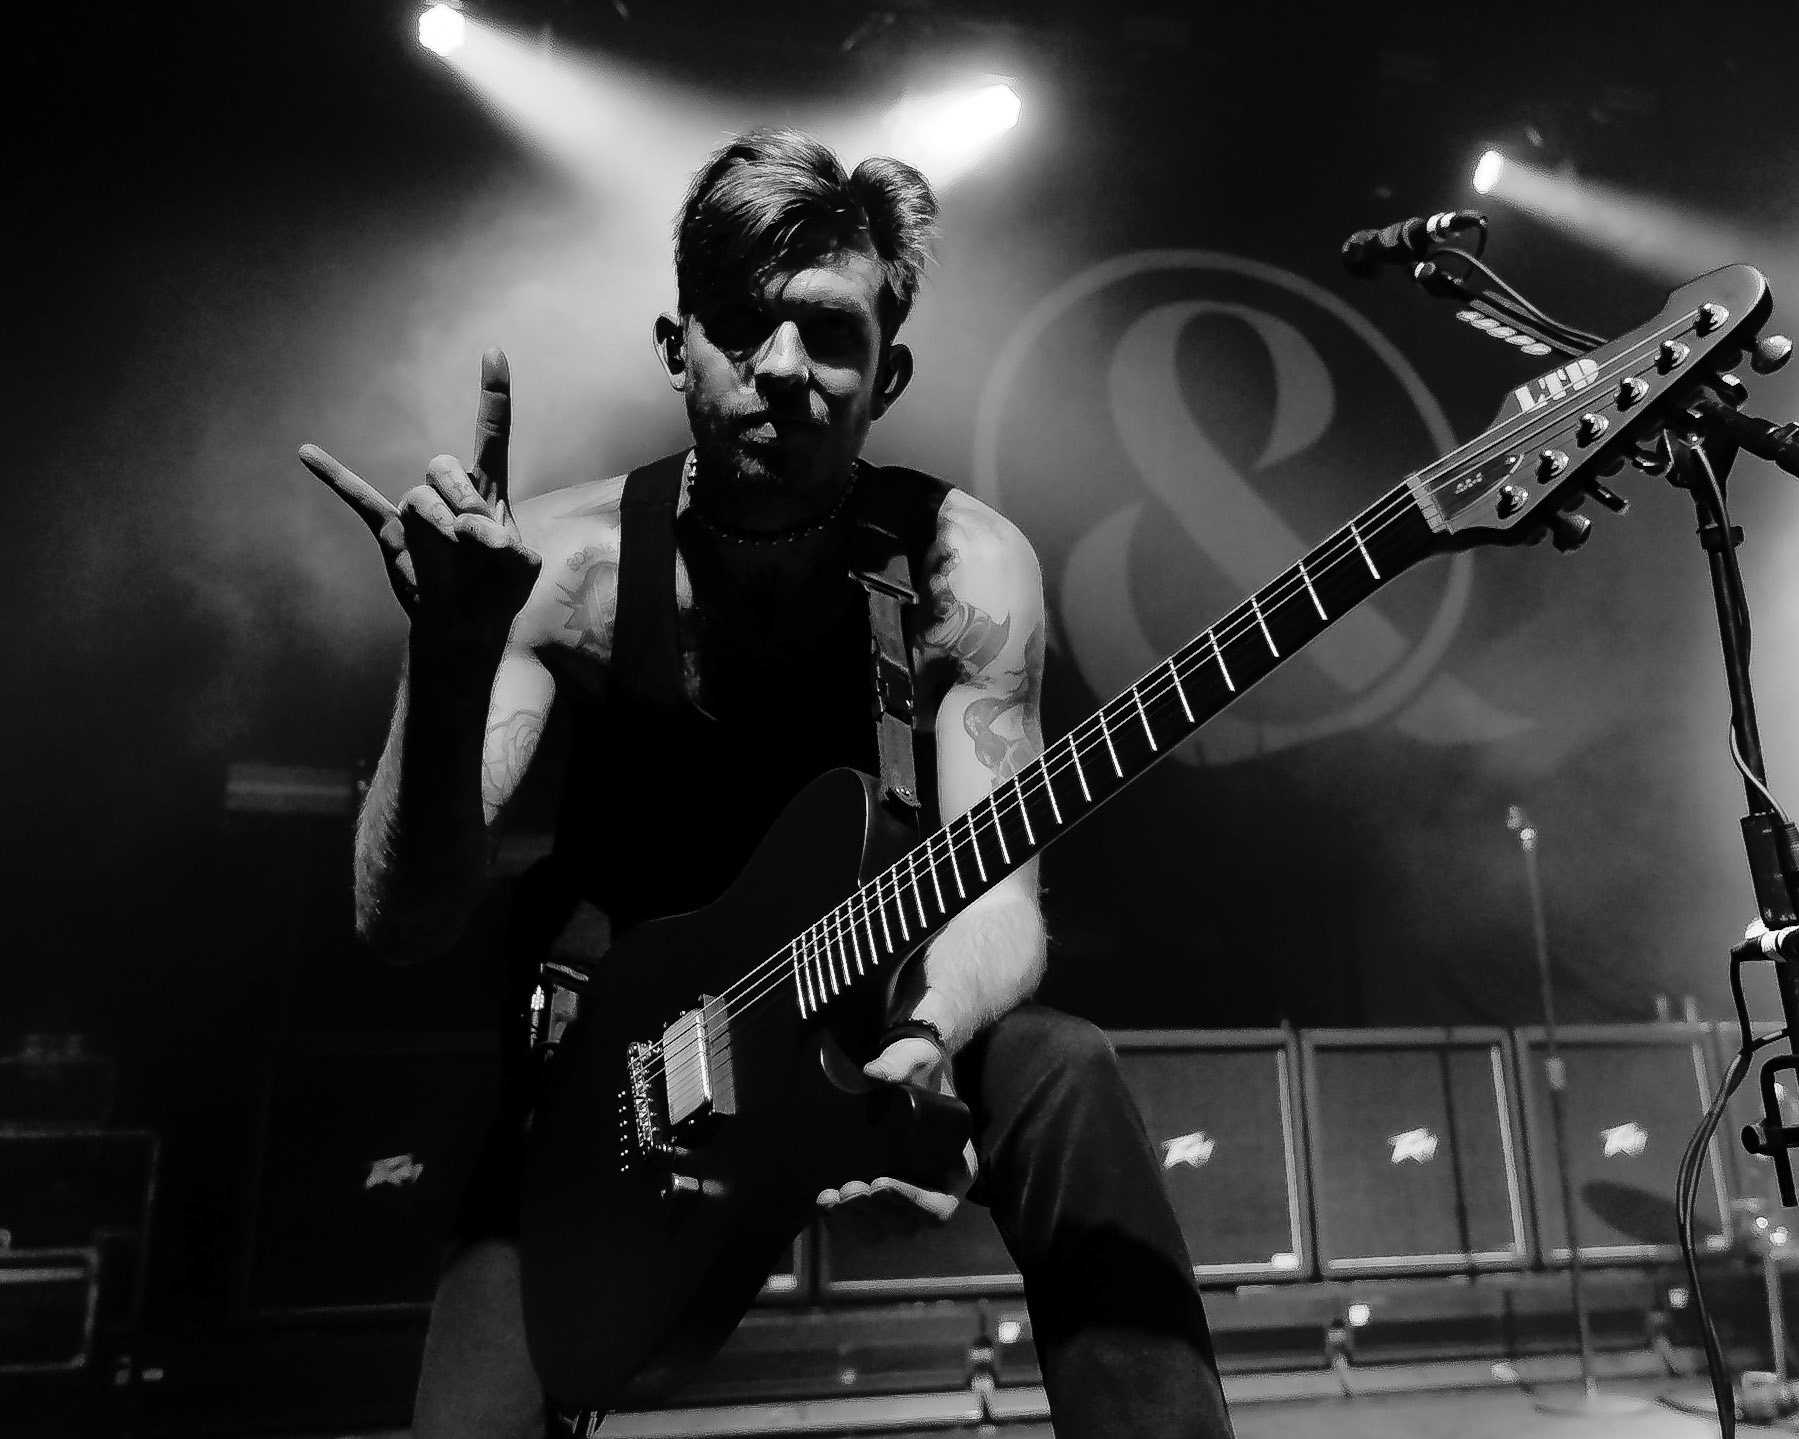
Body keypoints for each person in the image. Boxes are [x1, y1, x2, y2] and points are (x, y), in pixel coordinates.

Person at [300, 128, 1235, 1439]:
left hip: (862, 1013)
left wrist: (927, 1038)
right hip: (613, 1080)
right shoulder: (555, 569)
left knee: (1061, 1070)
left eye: (830, 332)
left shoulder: (964, 573)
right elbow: (400, 920)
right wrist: (451, 663)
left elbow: (999, 896)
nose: (783, 366)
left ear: (888, 374)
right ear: (675, 344)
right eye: (742, 324)